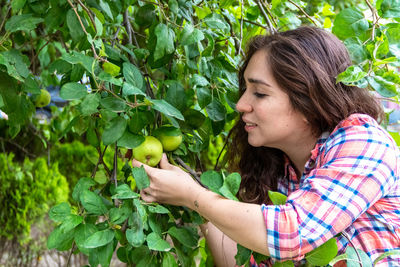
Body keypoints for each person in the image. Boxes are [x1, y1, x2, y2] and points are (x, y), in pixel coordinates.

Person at [132, 26, 400, 266]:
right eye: (245, 90)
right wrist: (192, 200)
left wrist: (193, 196)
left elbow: (291, 232)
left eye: (259, 93)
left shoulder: (364, 142)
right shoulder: (280, 171)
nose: (241, 105)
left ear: (308, 99)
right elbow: (237, 259)